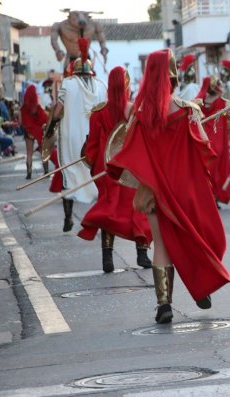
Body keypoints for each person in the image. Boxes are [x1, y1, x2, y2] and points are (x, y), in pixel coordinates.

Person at [107, 49, 230, 324]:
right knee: (195, 238)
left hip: (153, 193)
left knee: (162, 245)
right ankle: (202, 288)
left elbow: (130, 153)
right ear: (173, 75)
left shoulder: (140, 116)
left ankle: (163, 303)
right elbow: (204, 149)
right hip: (184, 192)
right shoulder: (188, 110)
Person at [78, 66, 153, 273]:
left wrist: (94, 167)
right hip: (131, 169)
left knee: (109, 211)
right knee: (138, 209)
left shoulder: (98, 113)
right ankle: (142, 253)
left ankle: (107, 257)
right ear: (127, 85)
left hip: (108, 170)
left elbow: (91, 148)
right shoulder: (135, 111)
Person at [45, 38, 107, 232]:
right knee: (95, 175)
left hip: (72, 138)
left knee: (69, 175)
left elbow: (57, 112)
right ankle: (99, 217)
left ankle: (68, 217)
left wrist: (51, 127)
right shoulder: (101, 86)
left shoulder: (68, 84)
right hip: (94, 138)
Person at [195, 76, 230, 206]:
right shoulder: (223, 103)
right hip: (217, 142)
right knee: (217, 170)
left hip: (202, 142)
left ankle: (205, 196)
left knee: (204, 171)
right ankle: (212, 196)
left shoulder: (198, 102)